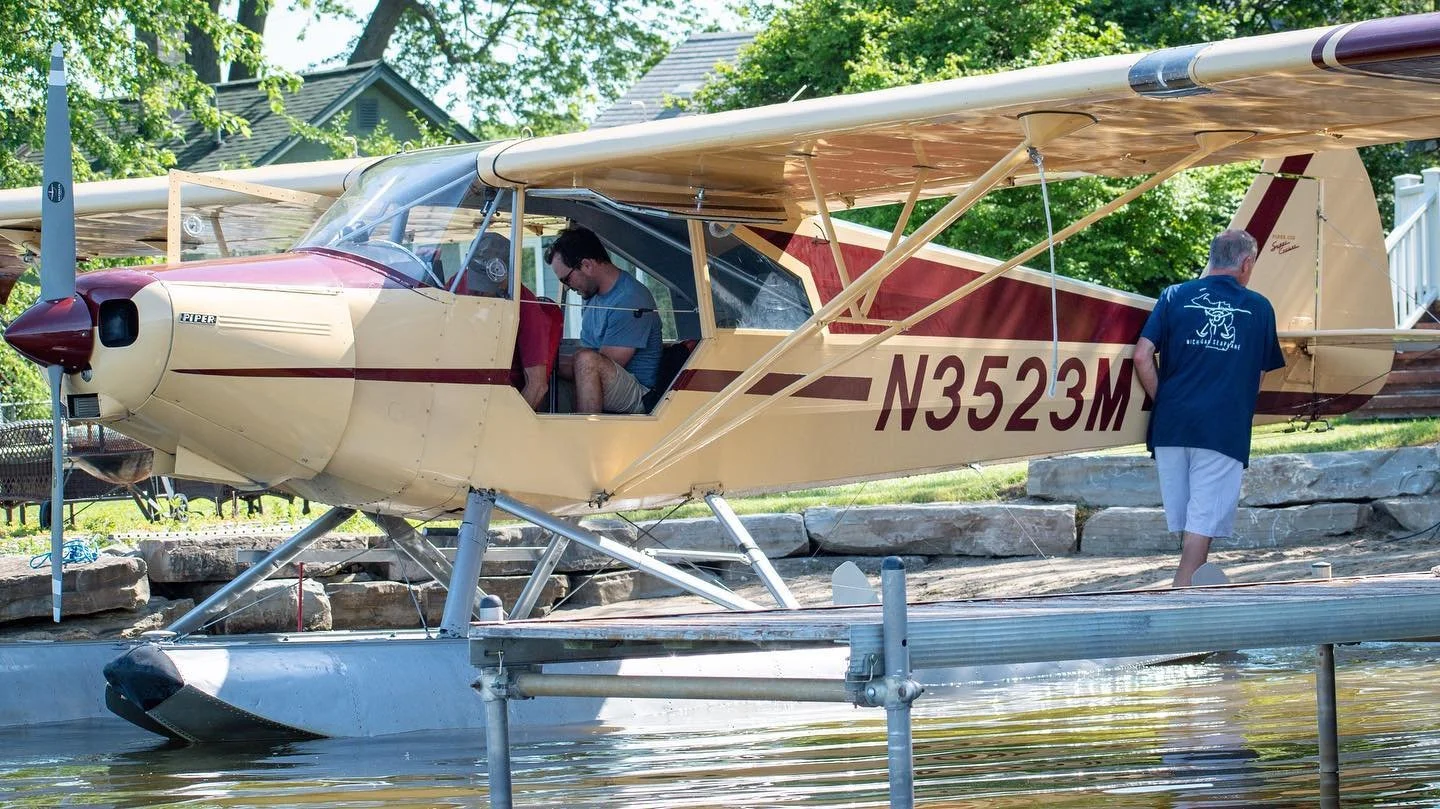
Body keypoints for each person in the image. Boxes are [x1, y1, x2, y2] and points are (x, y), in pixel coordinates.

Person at [1133, 228, 1286, 587]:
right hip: (1221, 429)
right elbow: (1258, 374)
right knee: (1199, 532)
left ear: (1213, 257)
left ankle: (1189, 597)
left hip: (1171, 427)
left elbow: (1142, 356)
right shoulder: (1259, 307)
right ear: (1246, 263)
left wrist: (1168, 404)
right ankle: (1182, 607)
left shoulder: (1173, 295)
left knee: (1191, 527)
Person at [545, 225, 662, 414]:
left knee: (586, 362)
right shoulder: (591, 295)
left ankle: (587, 437)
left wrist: (546, 362)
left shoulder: (630, 299)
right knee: (543, 385)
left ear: (587, 265)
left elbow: (600, 365)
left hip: (638, 392)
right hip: (600, 377)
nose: (568, 288)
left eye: (566, 280)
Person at [466, 233, 562, 410]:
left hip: (498, 403)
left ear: (507, 279)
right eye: (475, 286)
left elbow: (537, 386)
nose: (476, 294)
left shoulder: (527, 308)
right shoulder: (458, 285)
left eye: (484, 289)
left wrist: (505, 430)